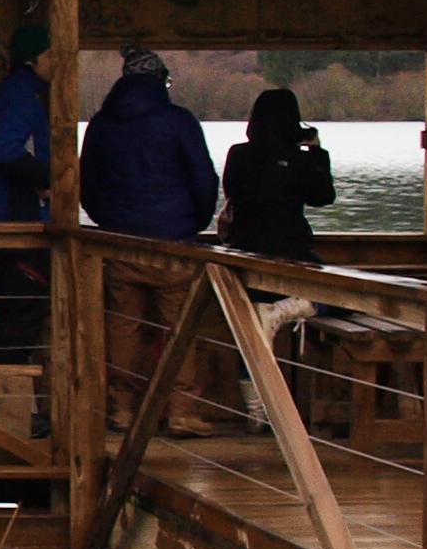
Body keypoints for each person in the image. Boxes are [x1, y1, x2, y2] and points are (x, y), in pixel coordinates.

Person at [81, 46, 221, 433]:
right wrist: (193, 221)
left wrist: (107, 221)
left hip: (120, 241)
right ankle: (181, 410)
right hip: (173, 240)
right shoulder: (178, 121)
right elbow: (204, 179)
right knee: (180, 328)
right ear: (161, 80)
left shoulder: (101, 125)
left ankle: (122, 408)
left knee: (123, 327)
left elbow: (86, 184)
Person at [219, 86, 335, 425]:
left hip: (244, 250)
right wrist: (315, 151)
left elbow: (231, 191)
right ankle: (287, 308)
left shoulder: (238, 155)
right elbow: (323, 197)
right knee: (338, 296)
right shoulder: (299, 159)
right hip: (291, 250)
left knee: (251, 327)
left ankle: (257, 412)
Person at [0, 24, 54, 367]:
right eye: (50, 56)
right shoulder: (22, 96)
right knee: (20, 312)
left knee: (13, 309)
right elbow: (4, 150)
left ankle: (9, 401)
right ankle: (12, 406)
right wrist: (46, 178)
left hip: (8, 218)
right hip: (19, 221)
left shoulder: (17, 93)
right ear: (32, 60)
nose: (56, 63)